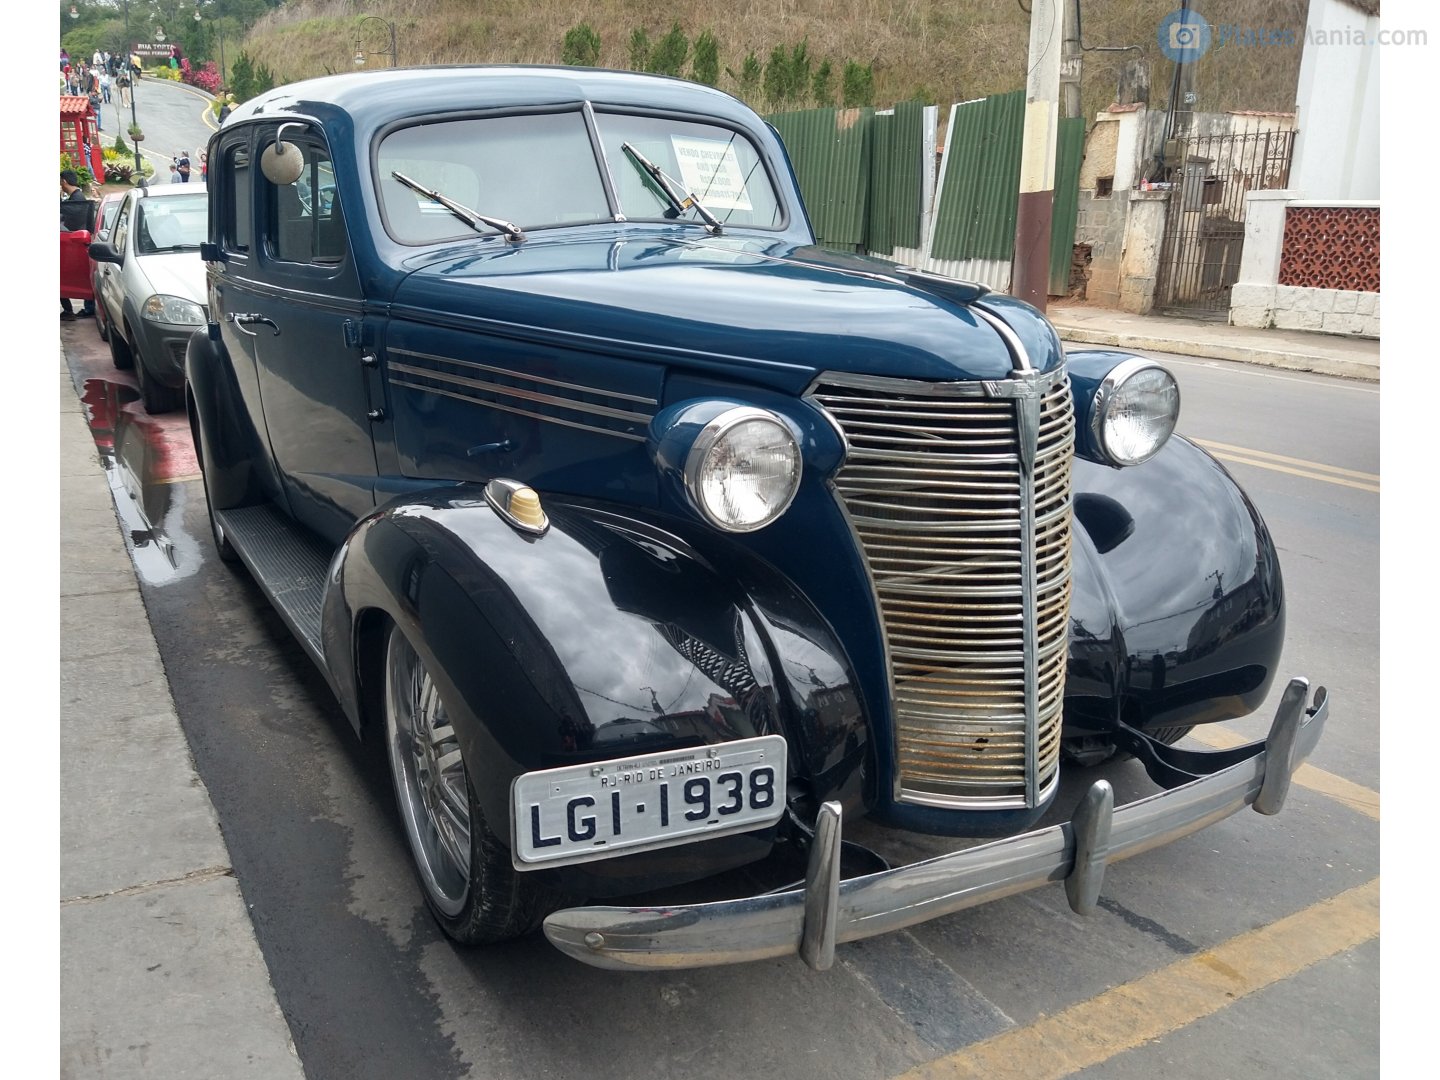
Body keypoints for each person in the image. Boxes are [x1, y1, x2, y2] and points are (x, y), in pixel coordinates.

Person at [60, 170, 92, 321]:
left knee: (81, 276)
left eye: (61, 182)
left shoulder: (77, 199)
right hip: (75, 243)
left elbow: (69, 219)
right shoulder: (76, 197)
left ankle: (87, 308)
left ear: (64, 181)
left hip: (76, 244)